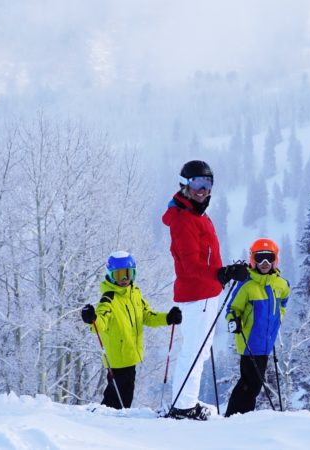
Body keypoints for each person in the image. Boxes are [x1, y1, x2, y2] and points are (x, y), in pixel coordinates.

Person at [162, 160, 248, 420]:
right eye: (197, 183)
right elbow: (190, 264)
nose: (202, 189)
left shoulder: (197, 213)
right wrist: (222, 273)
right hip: (196, 292)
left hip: (207, 291)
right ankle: (182, 406)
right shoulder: (184, 219)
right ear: (185, 185)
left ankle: (186, 401)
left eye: (207, 183)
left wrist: (223, 273)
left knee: (200, 348)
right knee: (194, 349)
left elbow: (207, 258)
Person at [80, 251, 182, 409]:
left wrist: (168, 318)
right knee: (117, 399)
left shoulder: (135, 294)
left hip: (131, 356)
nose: (124, 279)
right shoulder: (108, 300)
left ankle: (109, 420)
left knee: (125, 397)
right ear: (111, 276)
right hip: (118, 359)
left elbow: (147, 315)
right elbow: (101, 323)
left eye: (128, 274)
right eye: (119, 275)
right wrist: (92, 319)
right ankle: (104, 421)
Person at [224, 238, 290, 417]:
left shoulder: (281, 284)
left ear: (275, 259)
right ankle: (237, 415)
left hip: (267, 341)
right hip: (249, 340)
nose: (265, 263)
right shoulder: (246, 284)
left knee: (253, 382)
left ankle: (239, 416)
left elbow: (284, 301)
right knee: (251, 381)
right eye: (260, 258)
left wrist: (279, 318)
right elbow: (232, 308)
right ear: (253, 259)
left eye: (269, 258)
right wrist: (234, 321)